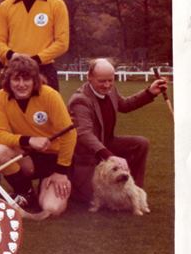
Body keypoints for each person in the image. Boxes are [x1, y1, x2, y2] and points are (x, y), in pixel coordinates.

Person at [67, 58, 167, 206]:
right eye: (102, 81)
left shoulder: (111, 90)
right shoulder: (80, 100)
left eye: (110, 80)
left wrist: (150, 93)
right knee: (90, 199)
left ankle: (134, 191)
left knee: (141, 143)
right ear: (89, 77)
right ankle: (78, 186)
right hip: (87, 154)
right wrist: (110, 156)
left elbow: (125, 105)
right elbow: (84, 134)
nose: (107, 85)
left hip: (107, 143)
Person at [0, 55, 77, 216]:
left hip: (54, 160)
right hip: (28, 156)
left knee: (52, 209)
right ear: (8, 80)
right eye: (16, 79)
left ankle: (48, 186)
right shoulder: (1, 97)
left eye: (26, 79)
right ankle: (25, 192)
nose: (21, 85)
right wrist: (28, 140)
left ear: (34, 80)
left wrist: (61, 172)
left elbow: (69, 135)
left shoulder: (50, 95)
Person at [0, 0, 69, 90]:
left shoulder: (56, 5)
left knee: (47, 111)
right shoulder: (5, 7)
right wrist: (13, 56)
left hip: (44, 70)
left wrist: (35, 59)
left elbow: (62, 43)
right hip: (13, 69)